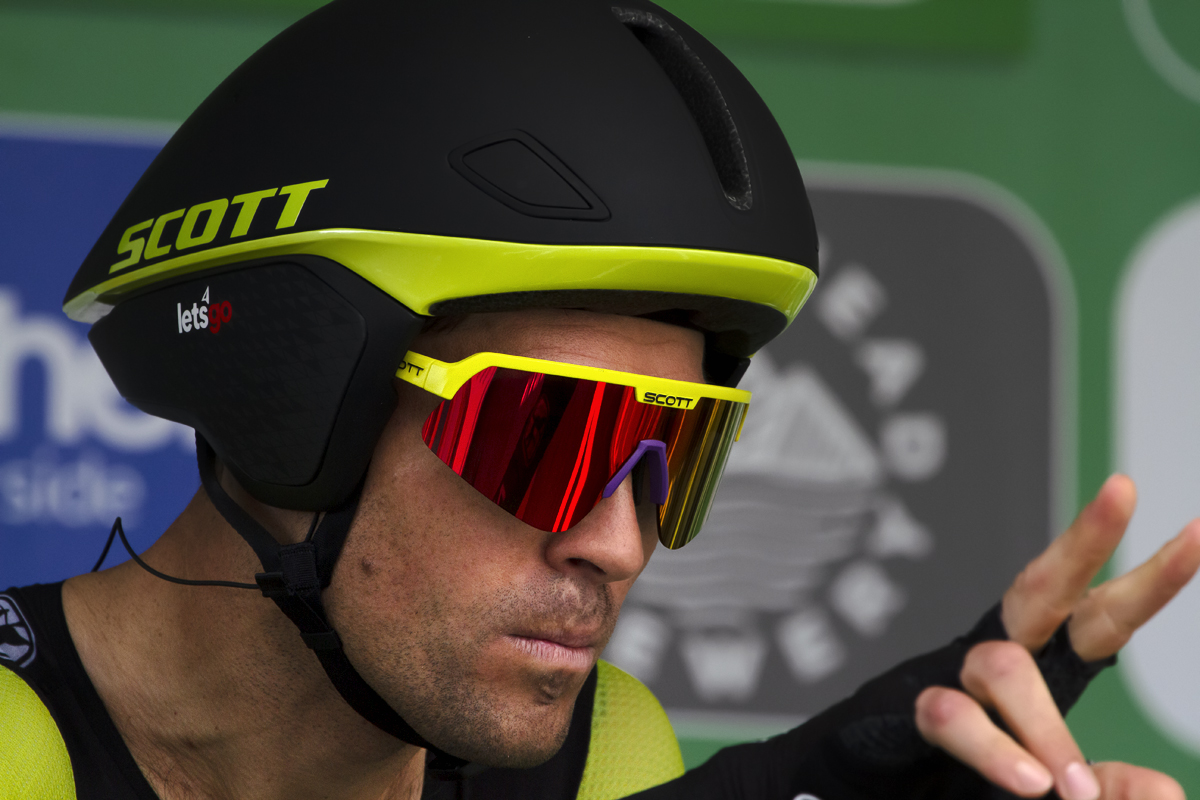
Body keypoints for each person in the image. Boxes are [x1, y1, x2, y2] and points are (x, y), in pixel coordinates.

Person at [1, 1, 1197, 798]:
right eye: (546, 436)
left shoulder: (600, 759)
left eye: (676, 446)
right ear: (292, 401)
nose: (620, 541)